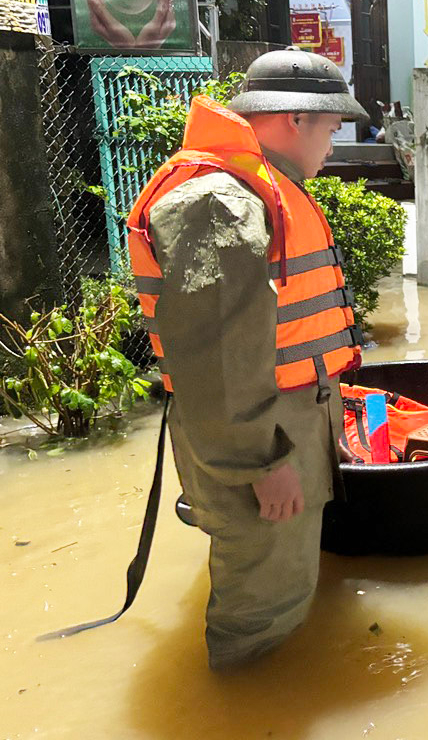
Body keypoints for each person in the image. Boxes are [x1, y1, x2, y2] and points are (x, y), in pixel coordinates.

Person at [126, 47, 368, 669]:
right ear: (295, 119)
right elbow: (221, 359)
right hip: (258, 438)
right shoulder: (220, 201)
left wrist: (324, 428)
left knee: (283, 583)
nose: (333, 146)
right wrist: (263, 463)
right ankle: (242, 727)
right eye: (332, 128)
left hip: (282, 424)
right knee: (261, 614)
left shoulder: (248, 189)